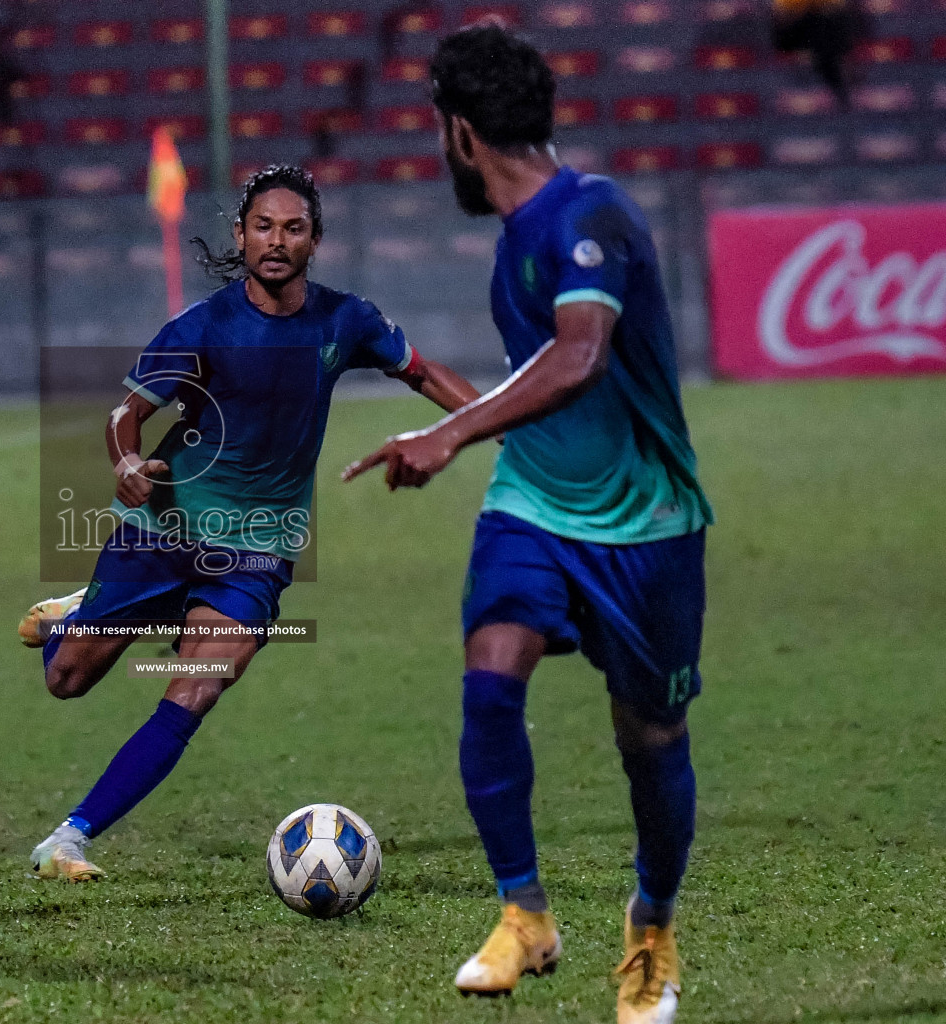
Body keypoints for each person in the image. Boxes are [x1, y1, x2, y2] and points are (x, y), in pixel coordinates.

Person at [343, 26, 712, 1023]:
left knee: (650, 737)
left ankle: (651, 927)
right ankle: (524, 914)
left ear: (461, 134)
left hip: (647, 524)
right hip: (536, 505)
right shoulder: (517, 235)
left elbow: (582, 351)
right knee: (489, 673)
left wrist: (450, 432)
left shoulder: (591, 212)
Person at [17, 164, 482, 883]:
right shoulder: (202, 327)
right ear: (240, 234)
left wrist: (499, 427)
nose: (276, 240)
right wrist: (126, 463)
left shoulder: (345, 319)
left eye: (293, 228)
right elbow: (126, 414)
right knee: (67, 681)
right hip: (164, 531)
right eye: (263, 226)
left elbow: (422, 372)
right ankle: (69, 622)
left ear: (314, 239)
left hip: (258, 550)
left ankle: (70, 838)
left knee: (198, 685)